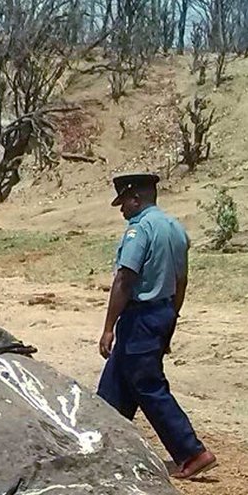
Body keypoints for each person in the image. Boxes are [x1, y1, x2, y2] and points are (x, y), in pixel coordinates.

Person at [96, 173, 216, 480]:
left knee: (147, 385)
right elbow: (181, 281)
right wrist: (169, 321)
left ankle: (191, 451)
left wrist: (109, 327)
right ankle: (100, 446)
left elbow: (125, 280)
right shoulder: (175, 228)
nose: (121, 209)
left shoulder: (140, 230)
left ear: (136, 198)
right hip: (162, 312)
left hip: (140, 316)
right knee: (115, 385)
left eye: (123, 202)